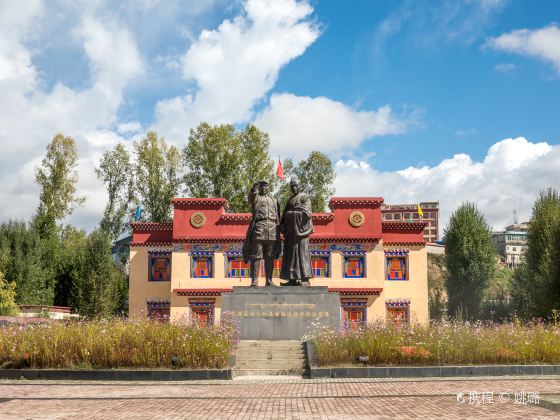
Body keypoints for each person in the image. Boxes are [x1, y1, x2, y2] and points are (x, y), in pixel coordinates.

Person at [245, 180, 281, 286]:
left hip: (272, 229)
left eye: (265, 185)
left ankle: (269, 280)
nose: (263, 187)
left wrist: (279, 231)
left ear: (268, 187)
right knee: (256, 256)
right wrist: (254, 190)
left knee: (270, 257)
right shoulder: (256, 198)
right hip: (259, 228)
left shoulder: (274, 200)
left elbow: (278, 217)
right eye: (261, 186)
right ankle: (255, 280)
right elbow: (251, 199)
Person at [280, 176, 313, 286]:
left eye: (296, 186)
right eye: (292, 186)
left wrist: (291, 214)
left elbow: (306, 212)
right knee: (290, 256)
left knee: (301, 255)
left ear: (300, 186)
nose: (294, 188)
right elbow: (284, 215)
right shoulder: (290, 200)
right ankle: (292, 279)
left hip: (301, 233)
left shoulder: (305, 197)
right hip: (290, 234)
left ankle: (303, 279)